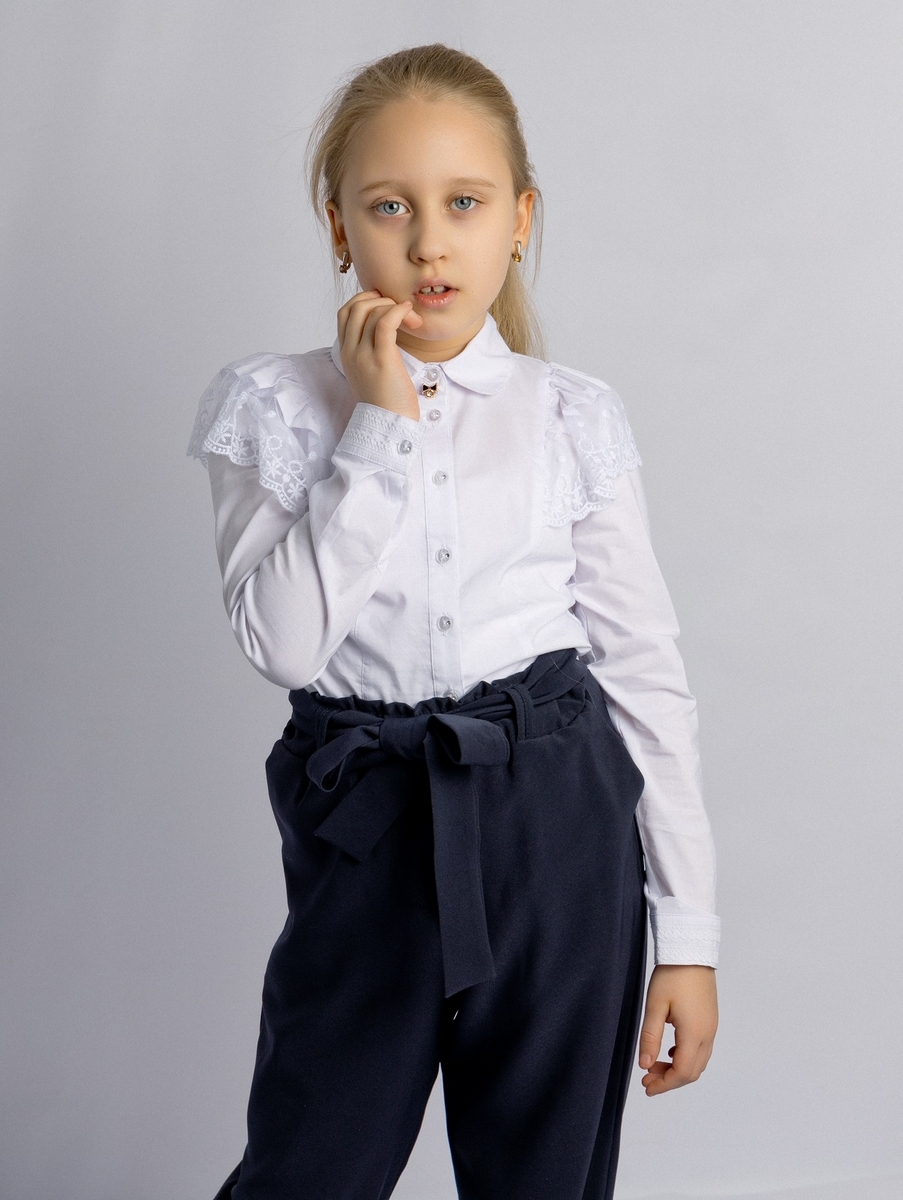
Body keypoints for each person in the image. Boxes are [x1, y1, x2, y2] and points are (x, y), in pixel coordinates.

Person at [188, 42, 719, 1200]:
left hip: (558, 817)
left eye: (465, 204)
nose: (429, 242)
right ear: (338, 225)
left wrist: (688, 934)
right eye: (391, 206)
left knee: (546, 1175)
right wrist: (378, 426)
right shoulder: (271, 406)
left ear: (519, 220)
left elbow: (644, 668)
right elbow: (283, 643)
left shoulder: (569, 415)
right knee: (311, 1163)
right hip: (367, 818)